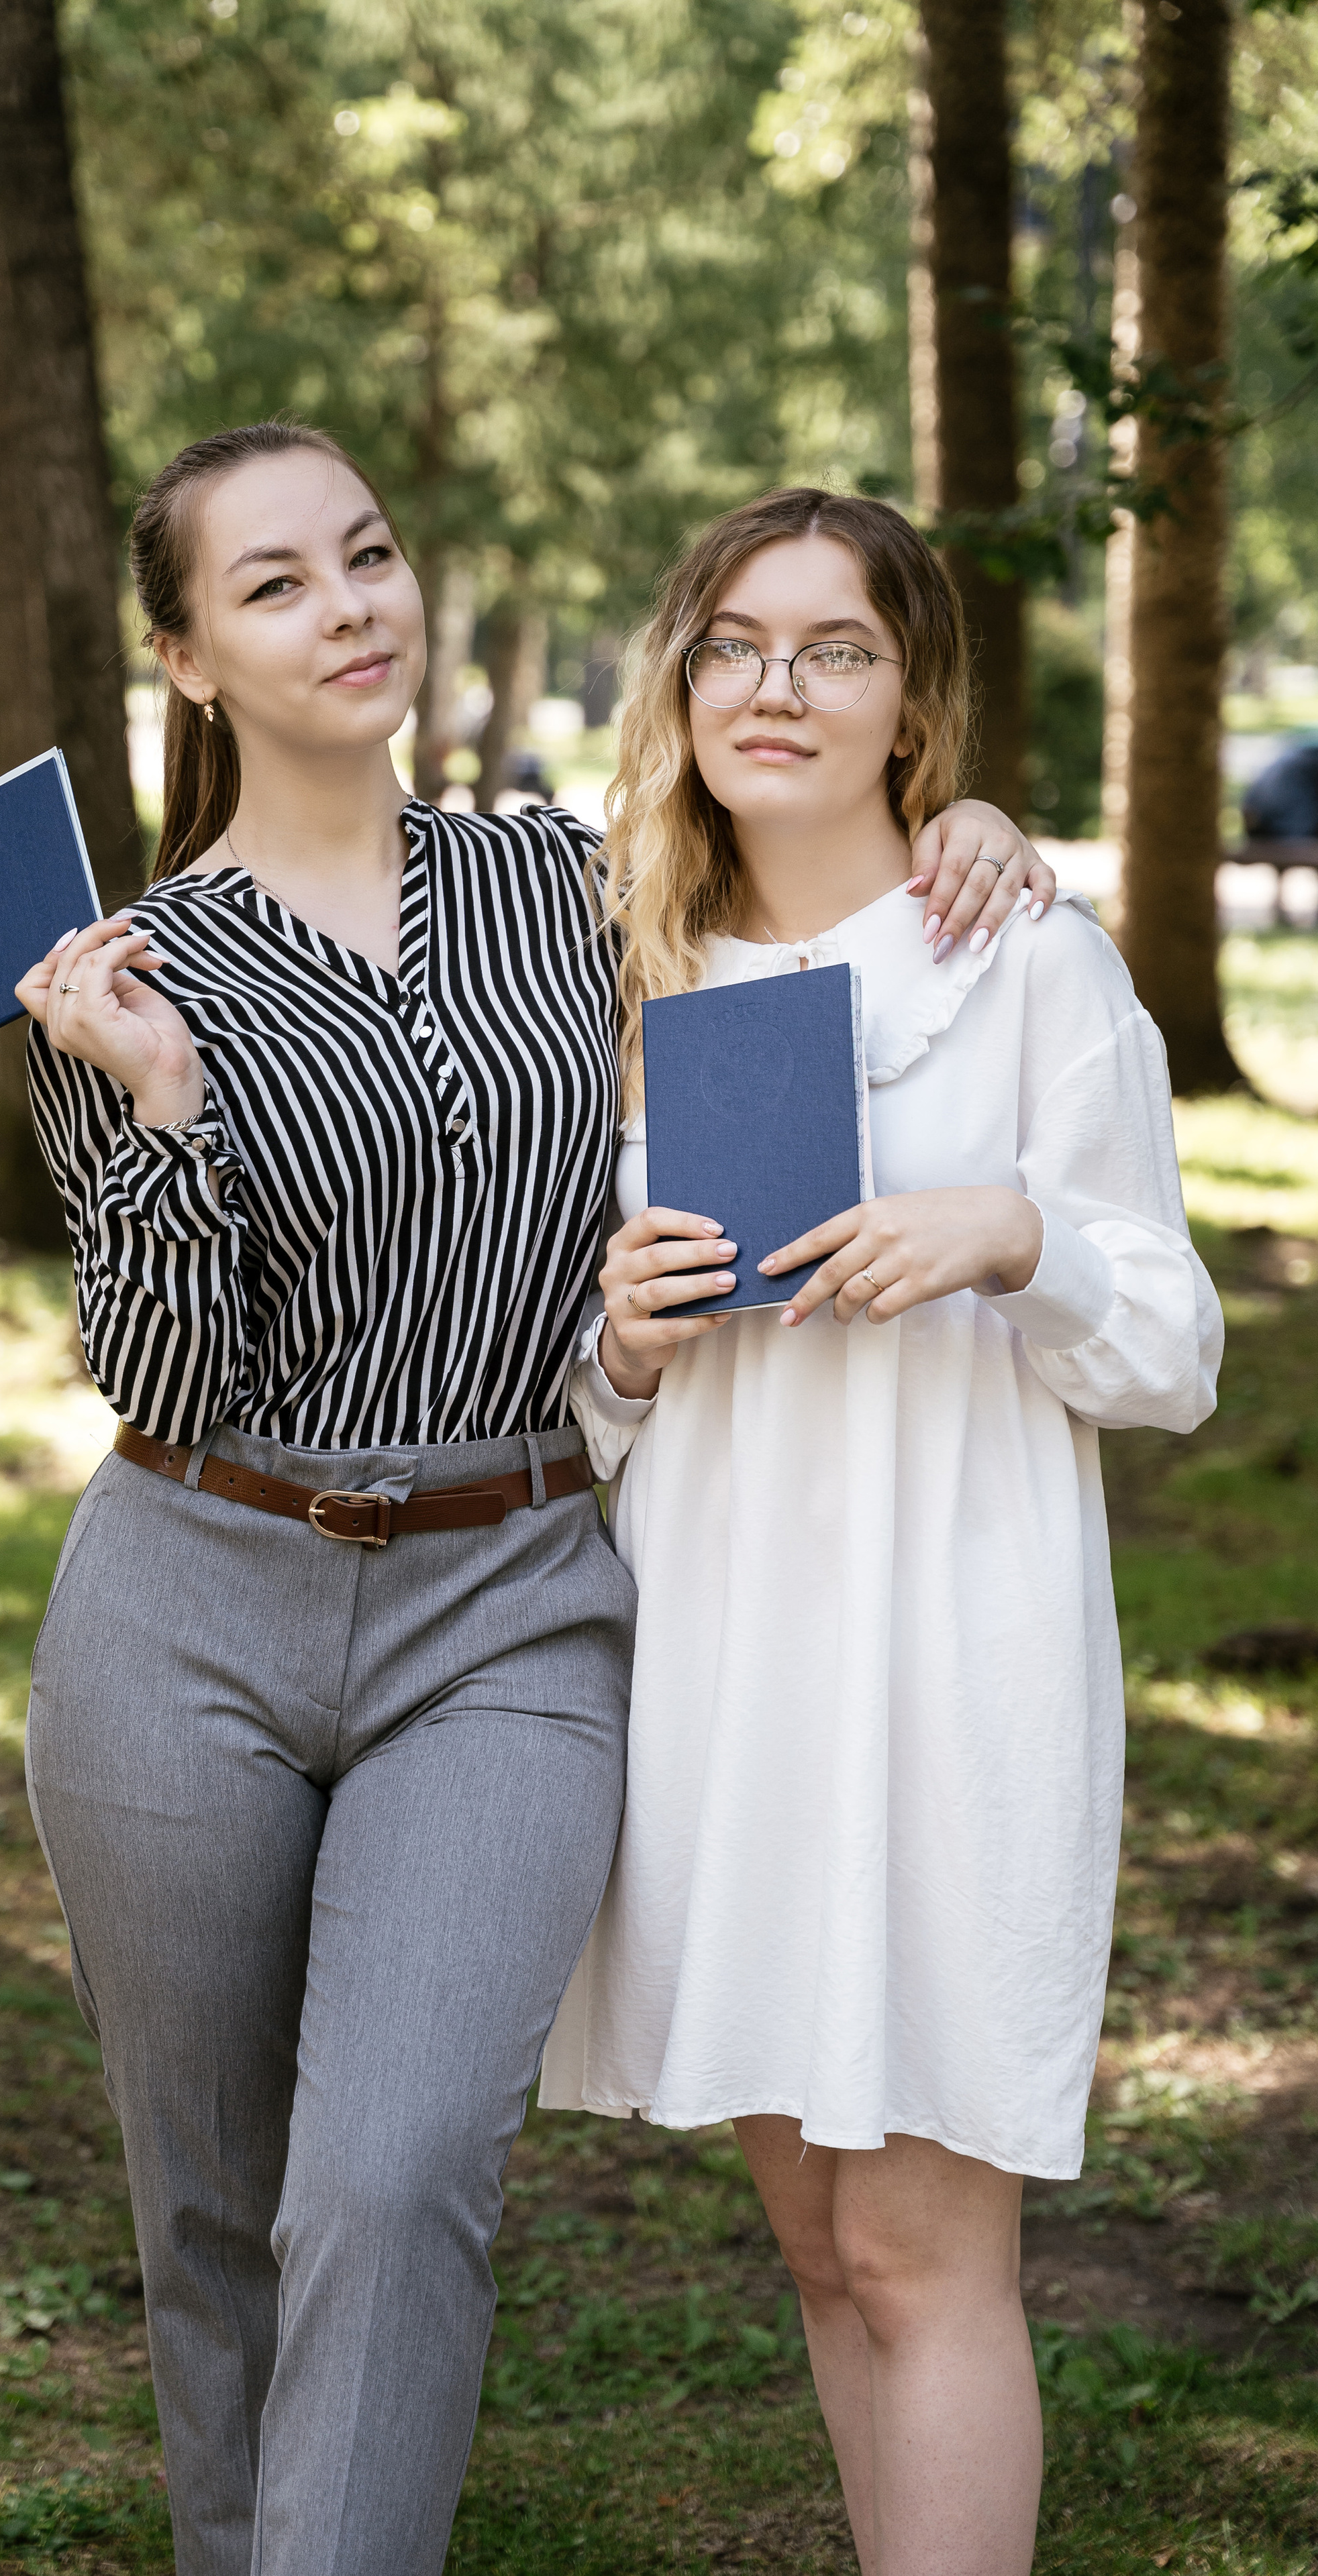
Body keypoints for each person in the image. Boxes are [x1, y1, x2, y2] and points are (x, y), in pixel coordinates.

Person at [11, 423, 1054, 2576]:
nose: (351, 607)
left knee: (392, 2175)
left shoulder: (568, 887)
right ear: (186, 656)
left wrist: (965, 821)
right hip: (188, 1593)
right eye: (278, 584)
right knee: (209, 2208)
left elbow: (793, 864)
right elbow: (162, 1362)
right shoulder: (114, 983)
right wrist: (170, 1104)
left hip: (506, 1596)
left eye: (370, 557)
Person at [545, 487, 1223, 2576]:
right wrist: (629, 1347)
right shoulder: (612, 972)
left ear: (913, 696)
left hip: (953, 1649)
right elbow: (573, 1417)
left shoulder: (1017, 955)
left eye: (835, 649)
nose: (778, 688)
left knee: (928, 2255)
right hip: (727, 1660)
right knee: (830, 2251)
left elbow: (1175, 1348)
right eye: (737, 643)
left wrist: (1012, 1230)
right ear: (681, 678)